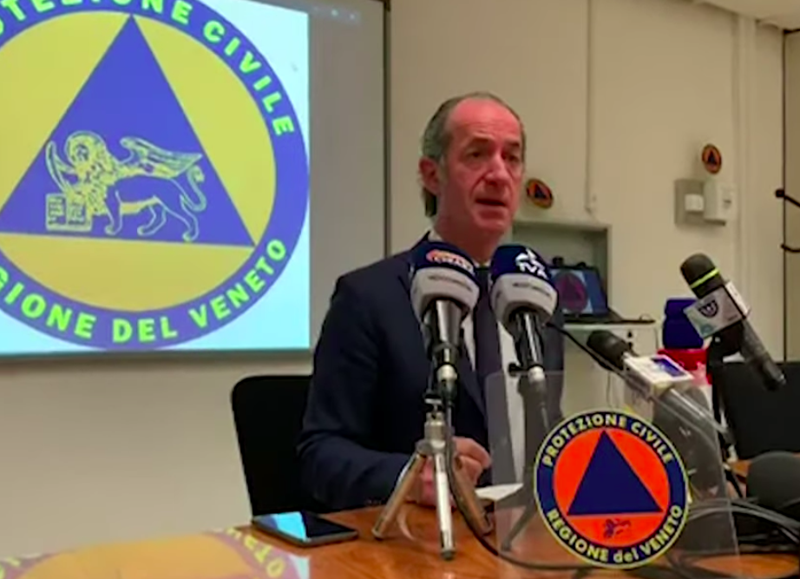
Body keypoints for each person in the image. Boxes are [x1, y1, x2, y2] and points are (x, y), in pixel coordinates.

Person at [297, 92, 565, 511]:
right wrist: (409, 476)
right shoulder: (369, 297)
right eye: (477, 154)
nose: (499, 174)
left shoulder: (536, 296)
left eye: (512, 158)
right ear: (432, 175)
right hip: (422, 536)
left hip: (529, 533)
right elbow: (320, 455)